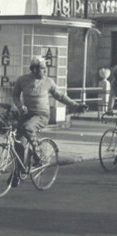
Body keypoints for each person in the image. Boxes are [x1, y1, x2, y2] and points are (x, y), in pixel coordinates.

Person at [12, 56, 87, 185]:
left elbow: (61, 96)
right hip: (26, 115)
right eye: (42, 69)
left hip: (41, 115)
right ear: (34, 69)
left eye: (45, 69)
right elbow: (14, 95)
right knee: (18, 142)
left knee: (28, 128)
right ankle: (19, 171)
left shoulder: (49, 82)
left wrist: (76, 105)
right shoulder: (22, 80)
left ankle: (38, 154)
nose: (44, 72)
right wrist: (19, 106)